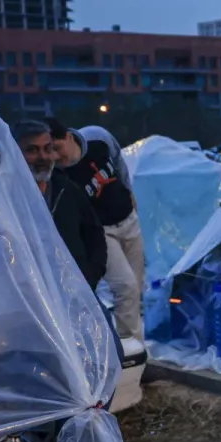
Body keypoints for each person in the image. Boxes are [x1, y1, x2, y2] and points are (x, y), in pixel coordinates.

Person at [48, 118, 146, 337]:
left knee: (136, 289)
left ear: (69, 136)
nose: (55, 155)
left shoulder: (96, 138)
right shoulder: (61, 176)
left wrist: (128, 191)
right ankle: (131, 346)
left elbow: (118, 160)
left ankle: (133, 340)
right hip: (103, 231)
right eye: (50, 150)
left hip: (128, 219)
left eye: (57, 148)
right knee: (125, 287)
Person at [13, 120, 107, 289]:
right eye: (32, 150)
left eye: (48, 149)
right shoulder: (4, 195)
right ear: (14, 152)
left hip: (75, 293)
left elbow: (94, 233)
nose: (43, 157)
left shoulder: (66, 189)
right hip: (25, 297)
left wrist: (90, 274)